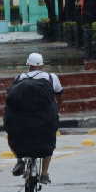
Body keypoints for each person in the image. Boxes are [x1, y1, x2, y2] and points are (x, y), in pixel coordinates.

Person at [9, 52, 63, 184]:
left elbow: (11, 98)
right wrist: (57, 110)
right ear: (42, 65)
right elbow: (59, 94)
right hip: (45, 119)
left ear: (28, 64)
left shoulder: (19, 77)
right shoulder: (51, 77)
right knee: (50, 141)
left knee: (12, 135)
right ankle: (44, 174)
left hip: (22, 119)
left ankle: (19, 160)